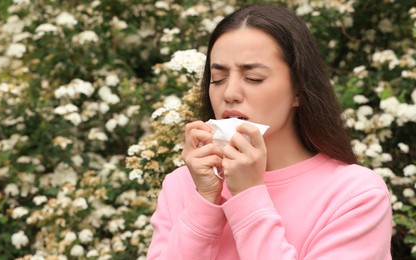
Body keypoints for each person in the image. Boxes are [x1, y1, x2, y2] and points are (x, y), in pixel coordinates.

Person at [147, 3, 392, 259]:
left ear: (298, 89)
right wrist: (204, 201)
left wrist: (248, 196)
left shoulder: (355, 194)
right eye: (217, 79)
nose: (229, 94)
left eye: (253, 78)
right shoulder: (184, 185)